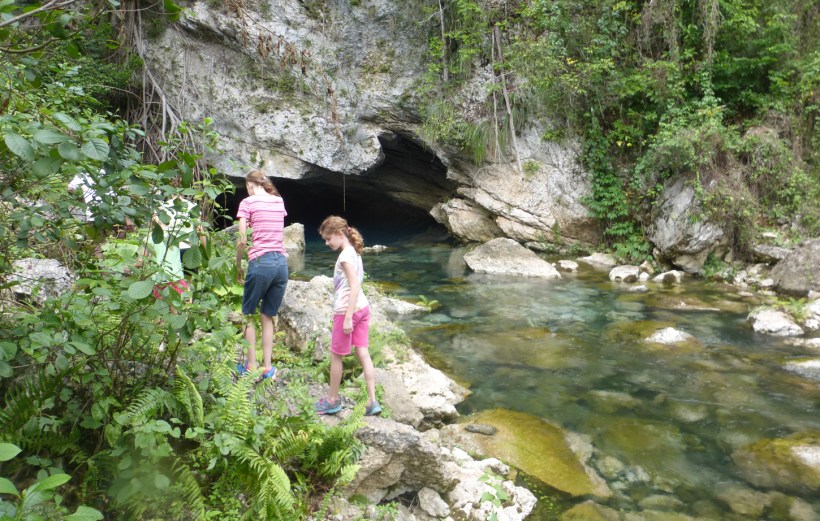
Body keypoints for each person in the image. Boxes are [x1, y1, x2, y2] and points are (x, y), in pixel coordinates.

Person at [314, 216, 381, 416]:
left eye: (328, 239)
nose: (327, 243)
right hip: (363, 307)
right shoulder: (355, 252)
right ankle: (373, 401)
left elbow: (354, 286)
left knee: (336, 356)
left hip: (346, 310)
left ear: (339, 234)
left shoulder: (344, 257)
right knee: (363, 353)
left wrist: (348, 317)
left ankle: (332, 401)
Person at [235, 170, 288, 381]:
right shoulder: (278, 201)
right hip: (281, 264)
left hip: (260, 263)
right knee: (267, 315)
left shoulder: (247, 203)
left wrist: (238, 265)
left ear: (250, 184)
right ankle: (268, 368)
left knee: (248, 314)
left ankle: (251, 367)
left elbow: (242, 240)